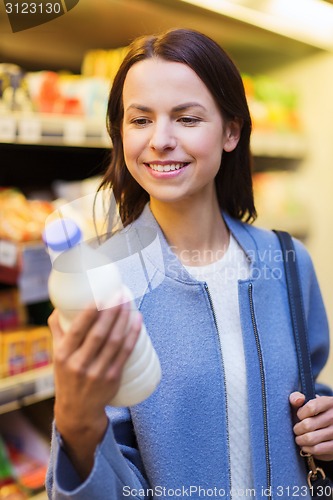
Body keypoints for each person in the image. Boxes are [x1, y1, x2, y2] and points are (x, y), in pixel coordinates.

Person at [46, 28, 333, 499]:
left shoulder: (286, 260)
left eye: (186, 118)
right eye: (140, 120)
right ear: (120, 133)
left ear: (231, 131)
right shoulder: (102, 281)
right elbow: (110, 479)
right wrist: (76, 427)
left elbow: (309, 389)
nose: (160, 140)